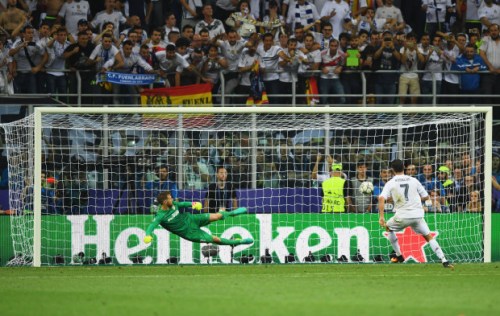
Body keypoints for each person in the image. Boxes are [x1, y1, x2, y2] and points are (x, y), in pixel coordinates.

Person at [378, 159, 454, 269]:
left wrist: (381, 217)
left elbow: (381, 198)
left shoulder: (391, 183)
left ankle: (399, 255)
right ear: (404, 167)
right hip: (417, 215)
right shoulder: (414, 180)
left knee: (389, 228)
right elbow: (426, 197)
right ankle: (444, 260)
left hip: (402, 216)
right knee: (428, 237)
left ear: (392, 170)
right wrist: (415, 199)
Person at [143, 191, 253, 246]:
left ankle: (232, 213)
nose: (172, 199)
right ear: (165, 202)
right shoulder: (160, 216)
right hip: (189, 232)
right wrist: (147, 235)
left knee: (217, 215)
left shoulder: (173, 204)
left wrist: (193, 204)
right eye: (170, 198)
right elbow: (152, 226)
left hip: (191, 219)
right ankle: (236, 242)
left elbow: (182, 204)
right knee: (215, 239)